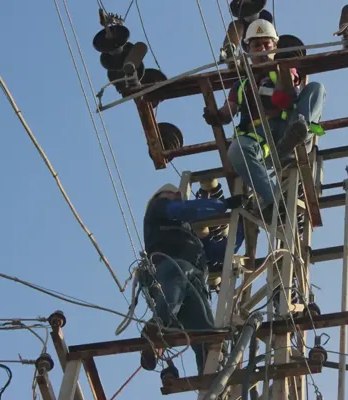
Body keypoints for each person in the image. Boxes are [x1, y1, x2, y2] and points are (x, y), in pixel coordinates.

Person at [202, 19, 327, 223]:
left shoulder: (288, 72)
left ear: (275, 47)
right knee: (236, 150)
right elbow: (229, 110)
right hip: (260, 139)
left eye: (266, 44)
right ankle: (273, 200)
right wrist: (216, 116)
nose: (261, 49)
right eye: (256, 45)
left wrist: (283, 72)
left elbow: (288, 97)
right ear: (249, 51)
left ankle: (299, 130)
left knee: (317, 88)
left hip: (290, 129)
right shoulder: (242, 85)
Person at [138, 183, 246, 373]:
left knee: (207, 334)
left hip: (193, 284)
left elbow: (222, 252)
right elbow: (185, 209)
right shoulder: (158, 209)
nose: (178, 194)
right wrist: (223, 204)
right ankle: (157, 331)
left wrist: (243, 224)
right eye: (172, 192)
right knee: (179, 276)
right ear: (159, 196)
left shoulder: (189, 234)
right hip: (169, 268)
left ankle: (210, 377)